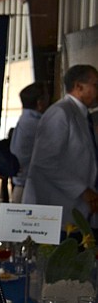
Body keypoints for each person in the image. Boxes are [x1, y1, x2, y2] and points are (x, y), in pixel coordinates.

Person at [24, 64, 98, 226]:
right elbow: (44, 161)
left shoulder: (82, 115)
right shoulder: (60, 113)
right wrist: (82, 190)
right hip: (59, 207)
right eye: (95, 85)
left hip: (78, 208)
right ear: (79, 86)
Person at [9, 82, 49, 203]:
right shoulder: (37, 124)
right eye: (47, 97)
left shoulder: (26, 119)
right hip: (28, 188)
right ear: (39, 103)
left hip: (24, 185)